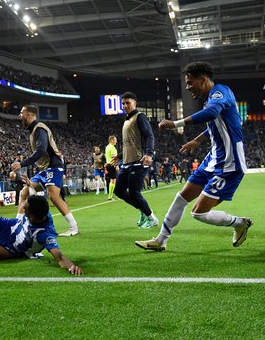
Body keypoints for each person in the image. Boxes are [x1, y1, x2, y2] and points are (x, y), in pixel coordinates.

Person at [135, 62, 252, 252]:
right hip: (213, 158)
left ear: (203, 81)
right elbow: (216, 123)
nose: (188, 87)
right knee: (181, 198)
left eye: (190, 83)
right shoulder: (211, 99)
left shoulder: (220, 92)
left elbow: (212, 113)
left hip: (230, 163)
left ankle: (240, 223)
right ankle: (160, 241)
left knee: (199, 213)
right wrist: (197, 140)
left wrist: (175, 123)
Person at [11, 105, 79, 236]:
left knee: (53, 195)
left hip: (54, 165)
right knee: (24, 192)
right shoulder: (33, 131)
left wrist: (23, 163)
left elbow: (41, 150)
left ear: (30, 115)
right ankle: (17, 226)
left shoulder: (40, 128)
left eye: (22, 113)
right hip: (45, 168)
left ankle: (73, 227)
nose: (20, 116)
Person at [111, 92, 158, 229]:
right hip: (126, 162)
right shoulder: (126, 120)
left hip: (138, 161)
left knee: (134, 193)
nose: (125, 106)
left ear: (135, 103)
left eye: (128, 103)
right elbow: (130, 143)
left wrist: (149, 153)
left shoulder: (140, 117)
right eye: (123, 103)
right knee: (119, 190)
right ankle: (144, 211)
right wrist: (120, 155)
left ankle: (151, 218)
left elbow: (149, 136)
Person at [104, 135, 118, 201]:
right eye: (115, 140)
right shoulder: (112, 147)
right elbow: (113, 157)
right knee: (113, 180)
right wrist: (116, 165)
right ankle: (110, 196)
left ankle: (111, 195)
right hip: (112, 165)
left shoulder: (107, 147)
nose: (116, 141)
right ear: (111, 140)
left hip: (108, 165)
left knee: (111, 181)